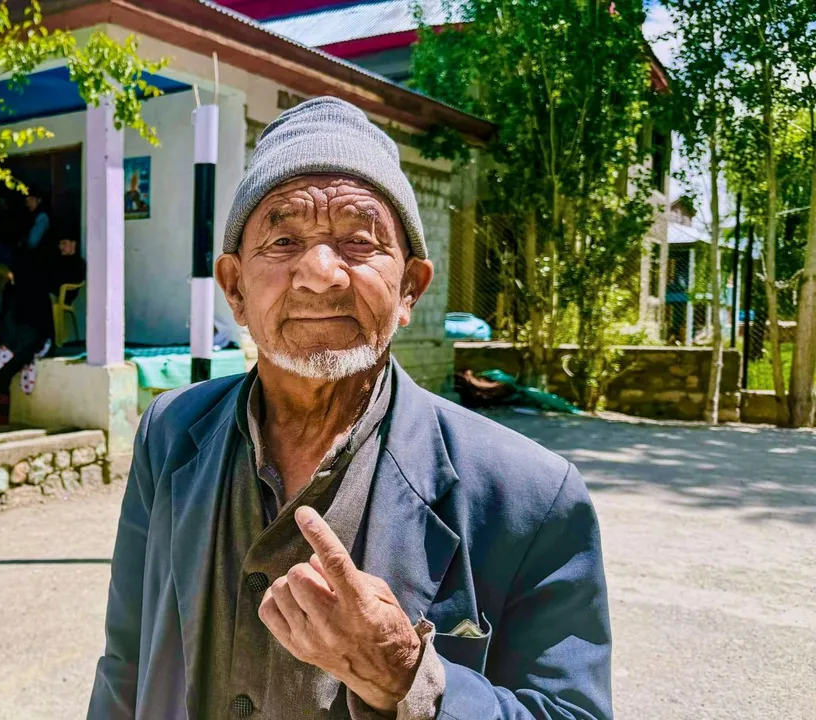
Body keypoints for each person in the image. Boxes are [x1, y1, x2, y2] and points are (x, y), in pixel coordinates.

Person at [88, 97, 611, 720]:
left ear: (410, 287)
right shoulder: (170, 434)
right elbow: (127, 662)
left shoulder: (531, 496)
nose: (320, 273)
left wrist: (410, 678)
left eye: (359, 242)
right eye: (283, 239)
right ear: (234, 287)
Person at [0, 270, 54, 425]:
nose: (10, 279)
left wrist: (8, 344)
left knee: (1, 376)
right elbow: (6, 321)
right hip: (11, 341)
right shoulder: (12, 292)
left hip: (29, 345)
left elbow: (33, 332)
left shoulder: (36, 297)